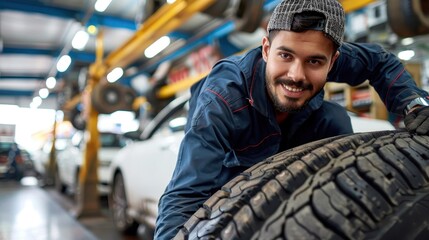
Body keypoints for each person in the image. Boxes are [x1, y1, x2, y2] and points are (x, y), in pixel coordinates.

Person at [155, 0, 429, 239]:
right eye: (285, 55)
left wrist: (414, 104)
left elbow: (380, 61)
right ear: (265, 50)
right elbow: (186, 195)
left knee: (333, 117)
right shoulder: (223, 99)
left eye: (314, 62)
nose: (296, 74)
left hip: (300, 146)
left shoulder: (326, 57)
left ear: (333, 62)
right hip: (231, 176)